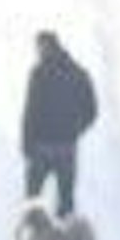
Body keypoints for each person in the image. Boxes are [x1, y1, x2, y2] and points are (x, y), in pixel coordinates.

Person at [20, 30, 97, 219]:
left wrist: (26, 144)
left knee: (33, 201)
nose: (38, 52)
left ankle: (34, 237)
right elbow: (91, 111)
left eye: (39, 47)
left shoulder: (39, 73)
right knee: (66, 202)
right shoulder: (78, 73)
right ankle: (64, 237)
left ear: (47, 46)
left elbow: (30, 111)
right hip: (66, 146)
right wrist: (75, 130)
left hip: (41, 147)